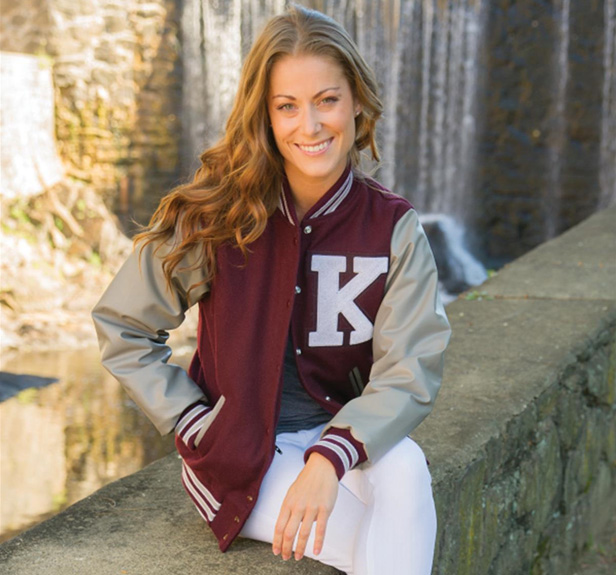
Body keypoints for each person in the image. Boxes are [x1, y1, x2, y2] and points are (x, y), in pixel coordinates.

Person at [92, 5, 451, 574]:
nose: (309, 126)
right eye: (287, 106)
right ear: (265, 115)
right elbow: (122, 325)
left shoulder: (392, 227)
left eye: (327, 100)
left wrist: (328, 460)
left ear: (356, 101)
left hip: (344, 432)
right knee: (376, 545)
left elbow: (410, 369)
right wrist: (191, 420)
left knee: (406, 470)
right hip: (239, 451)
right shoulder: (216, 214)